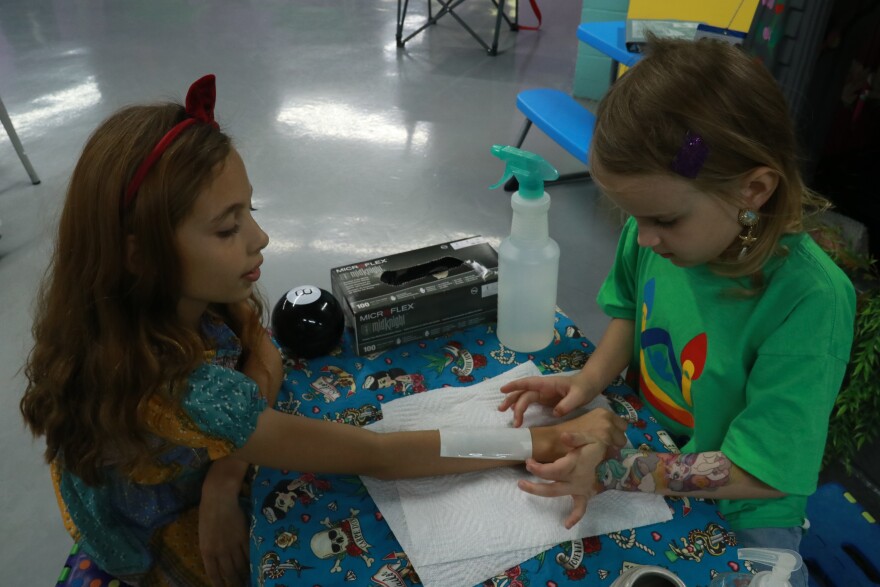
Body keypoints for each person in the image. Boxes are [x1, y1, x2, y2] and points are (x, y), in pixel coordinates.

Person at [19, 75, 627, 587]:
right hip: (142, 527)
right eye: (227, 228)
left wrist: (226, 471)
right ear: (138, 253)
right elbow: (379, 455)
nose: (259, 240)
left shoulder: (168, 299)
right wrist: (534, 444)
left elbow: (261, 345)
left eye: (249, 213)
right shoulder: (179, 390)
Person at [498, 38, 856, 587]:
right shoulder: (655, 235)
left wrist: (617, 470)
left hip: (744, 503)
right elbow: (627, 312)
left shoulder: (810, 301)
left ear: (754, 189)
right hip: (653, 443)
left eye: (663, 219)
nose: (644, 238)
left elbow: (763, 472)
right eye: (631, 215)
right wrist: (588, 381)